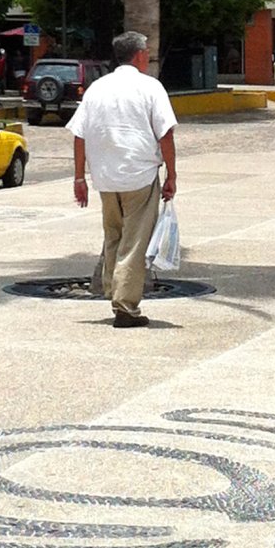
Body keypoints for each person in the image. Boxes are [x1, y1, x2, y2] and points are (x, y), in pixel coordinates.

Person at [69, 30, 179, 328]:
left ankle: (113, 288)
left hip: (105, 178)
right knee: (134, 241)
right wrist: (172, 173)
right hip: (139, 175)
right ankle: (126, 306)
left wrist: (80, 177)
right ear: (139, 55)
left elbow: (79, 134)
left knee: (113, 236)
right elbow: (165, 133)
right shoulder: (150, 87)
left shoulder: (97, 88)